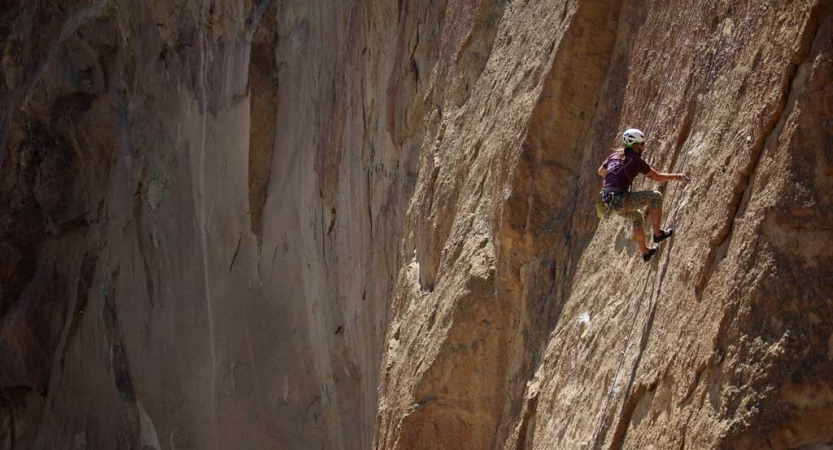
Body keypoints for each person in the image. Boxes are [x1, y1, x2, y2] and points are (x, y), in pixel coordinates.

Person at [598, 128, 691, 262]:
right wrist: (677, 177)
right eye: (642, 143)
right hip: (621, 198)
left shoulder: (614, 156)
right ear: (636, 145)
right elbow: (657, 176)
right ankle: (658, 234)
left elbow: (601, 171)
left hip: (608, 202)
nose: (643, 146)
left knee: (637, 217)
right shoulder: (636, 161)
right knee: (656, 196)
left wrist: (616, 177)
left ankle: (645, 252)